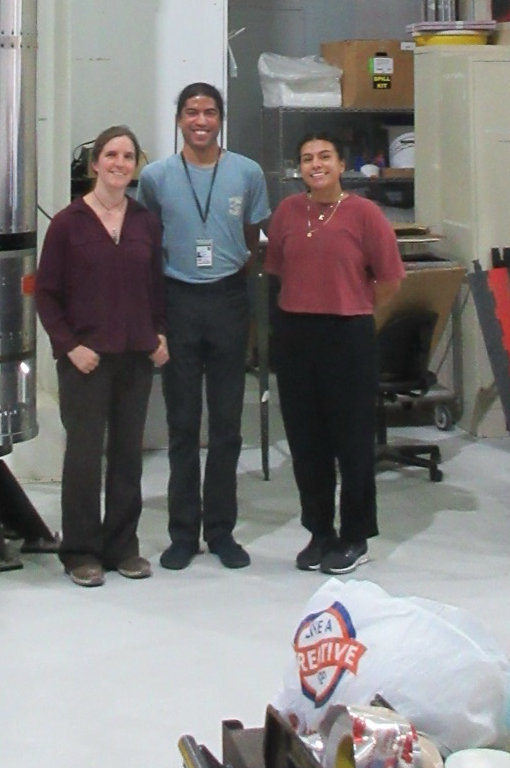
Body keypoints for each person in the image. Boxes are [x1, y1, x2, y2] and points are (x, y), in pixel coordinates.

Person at [136, 82, 270, 571]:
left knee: (228, 424)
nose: (200, 120)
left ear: (220, 119)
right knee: (182, 423)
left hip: (230, 299)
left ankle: (221, 531)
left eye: (209, 112)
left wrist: (237, 278)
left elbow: (254, 235)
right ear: (179, 119)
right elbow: (148, 241)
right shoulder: (155, 177)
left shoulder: (247, 173)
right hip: (178, 300)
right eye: (191, 112)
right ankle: (182, 533)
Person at [265, 130, 405, 575]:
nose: (316, 164)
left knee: (352, 442)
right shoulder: (287, 212)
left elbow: (389, 281)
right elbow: (279, 273)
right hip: (295, 335)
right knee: (307, 442)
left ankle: (355, 535)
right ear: (298, 168)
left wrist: (355, 310)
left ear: (341, 165)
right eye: (307, 158)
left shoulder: (365, 214)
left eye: (324, 156)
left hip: (348, 335)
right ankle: (319, 531)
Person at [35, 125, 169, 587]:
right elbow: (47, 296)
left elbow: (157, 287)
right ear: (95, 163)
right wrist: (70, 346)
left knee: (129, 456)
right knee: (85, 458)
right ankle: (81, 551)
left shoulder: (145, 222)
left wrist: (159, 334)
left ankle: (122, 548)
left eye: (128, 156)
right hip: (85, 362)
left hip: (134, 357)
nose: (119, 163)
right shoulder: (67, 224)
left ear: (135, 166)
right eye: (110, 155)